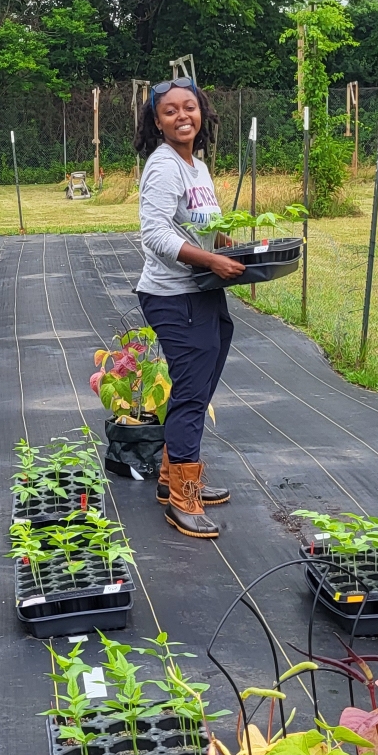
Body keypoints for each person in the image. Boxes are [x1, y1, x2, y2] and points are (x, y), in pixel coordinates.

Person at [135, 79, 244, 537]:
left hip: (201, 290)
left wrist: (229, 245)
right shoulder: (164, 167)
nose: (183, 116)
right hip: (172, 295)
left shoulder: (197, 166)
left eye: (190, 108)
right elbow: (156, 236)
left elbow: (204, 224)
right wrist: (211, 259)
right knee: (192, 394)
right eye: (170, 111)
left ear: (202, 113)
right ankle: (183, 496)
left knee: (199, 382)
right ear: (157, 122)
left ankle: (170, 477)